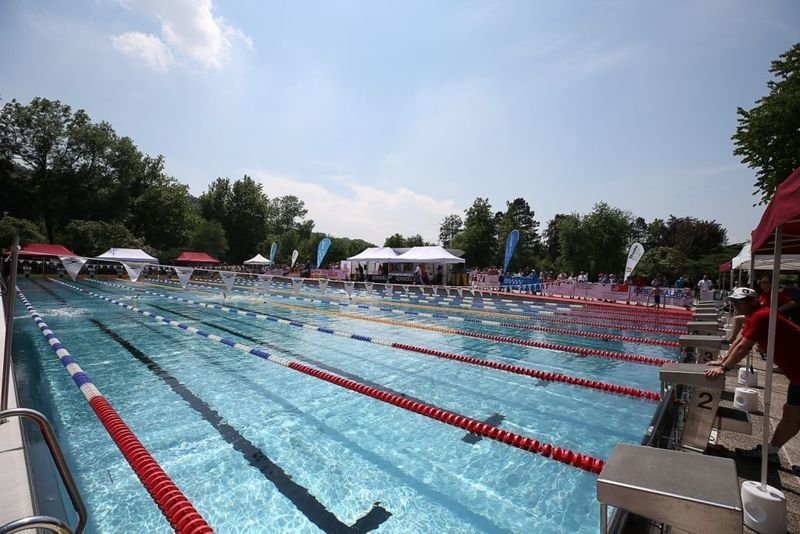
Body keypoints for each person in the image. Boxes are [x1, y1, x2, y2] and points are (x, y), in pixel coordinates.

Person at [706, 287, 800, 462]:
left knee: (793, 415)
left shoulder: (762, 316)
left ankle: (770, 451)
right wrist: (723, 361)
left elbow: (744, 347)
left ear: (753, 301)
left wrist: (724, 368)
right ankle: (770, 452)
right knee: (791, 414)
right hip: (797, 374)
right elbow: (741, 339)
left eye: (740, 302)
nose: (737, 306)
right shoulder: (755, 315)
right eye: (734, 302)